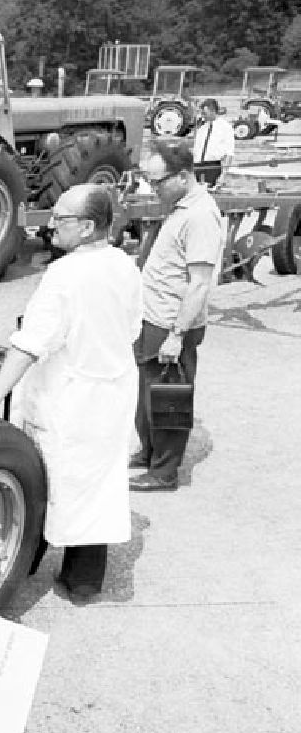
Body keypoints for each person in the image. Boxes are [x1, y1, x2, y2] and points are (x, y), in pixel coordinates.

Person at [0, 184, 142, 599]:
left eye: (59, 218)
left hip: (69, 397)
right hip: (110, 392)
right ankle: (83, 580)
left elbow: (31, 345)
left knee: (43, 478)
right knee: (97, 485)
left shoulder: (65, 274)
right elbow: (131, 328)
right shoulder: (123, 265)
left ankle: (19, 563)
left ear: (86, 227)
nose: (51, 225)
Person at [130, 138, 223, 492]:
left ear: (183, 176)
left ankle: (164, 471)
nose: (152, 189)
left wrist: (177, 334)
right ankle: (150, 452)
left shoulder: (200, 216)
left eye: (158, 182)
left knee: (169, 398)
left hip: (171, 323)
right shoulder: (180, 206)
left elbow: (199, 283)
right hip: (154, 318)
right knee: (147, 394)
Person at [192, 98, 235, 186]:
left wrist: (223, 175)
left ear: (213, 111)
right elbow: (196, 150)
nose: (203, 116)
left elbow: (229, 153)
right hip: (197, 166)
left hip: (212, 167)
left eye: (205, 113)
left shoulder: (225, 128)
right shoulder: (202, 129)